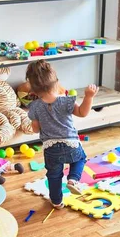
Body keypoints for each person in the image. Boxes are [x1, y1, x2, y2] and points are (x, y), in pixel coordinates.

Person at [26, 60, 99, 209]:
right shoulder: (66, 101)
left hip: (50, 148)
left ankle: (57, 201)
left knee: (54, 175)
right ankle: (73, 179)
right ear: (57, 83)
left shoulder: (34, 107)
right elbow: (82, 113)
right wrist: (89, 97)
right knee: (80, 159)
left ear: (33, 90)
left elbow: (35, 129)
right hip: (71, 144)